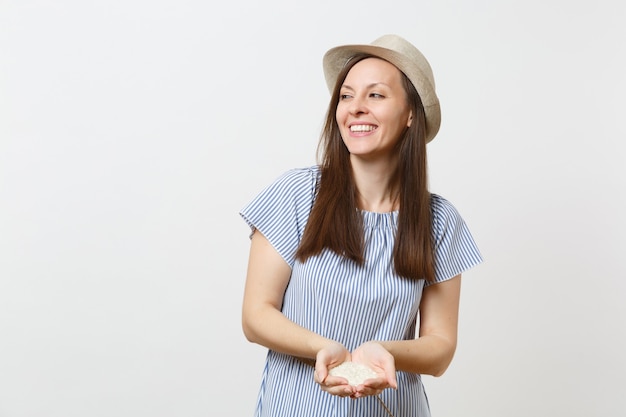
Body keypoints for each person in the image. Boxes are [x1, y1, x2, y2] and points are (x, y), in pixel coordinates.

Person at [239, 34, 483, 417]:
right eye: (346, 96)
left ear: (411, 115)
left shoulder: (440, 221)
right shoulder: (297, 194)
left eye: (376, 95)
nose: (355, 108)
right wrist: (323, 348)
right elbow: (256, 315)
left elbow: (439, 348)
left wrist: (384, 352)